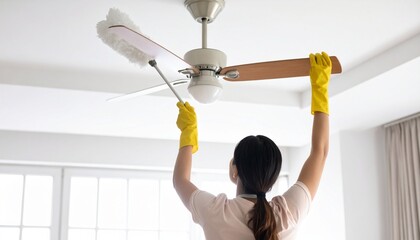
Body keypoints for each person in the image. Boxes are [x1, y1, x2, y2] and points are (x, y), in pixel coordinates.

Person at [173, 52, 332, 240]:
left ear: (235, 170)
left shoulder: (216, 212)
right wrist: (320, 89)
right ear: (272, 176)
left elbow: (180, 180)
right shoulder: (288, 213)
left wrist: (188, 131)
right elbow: (319, 152)